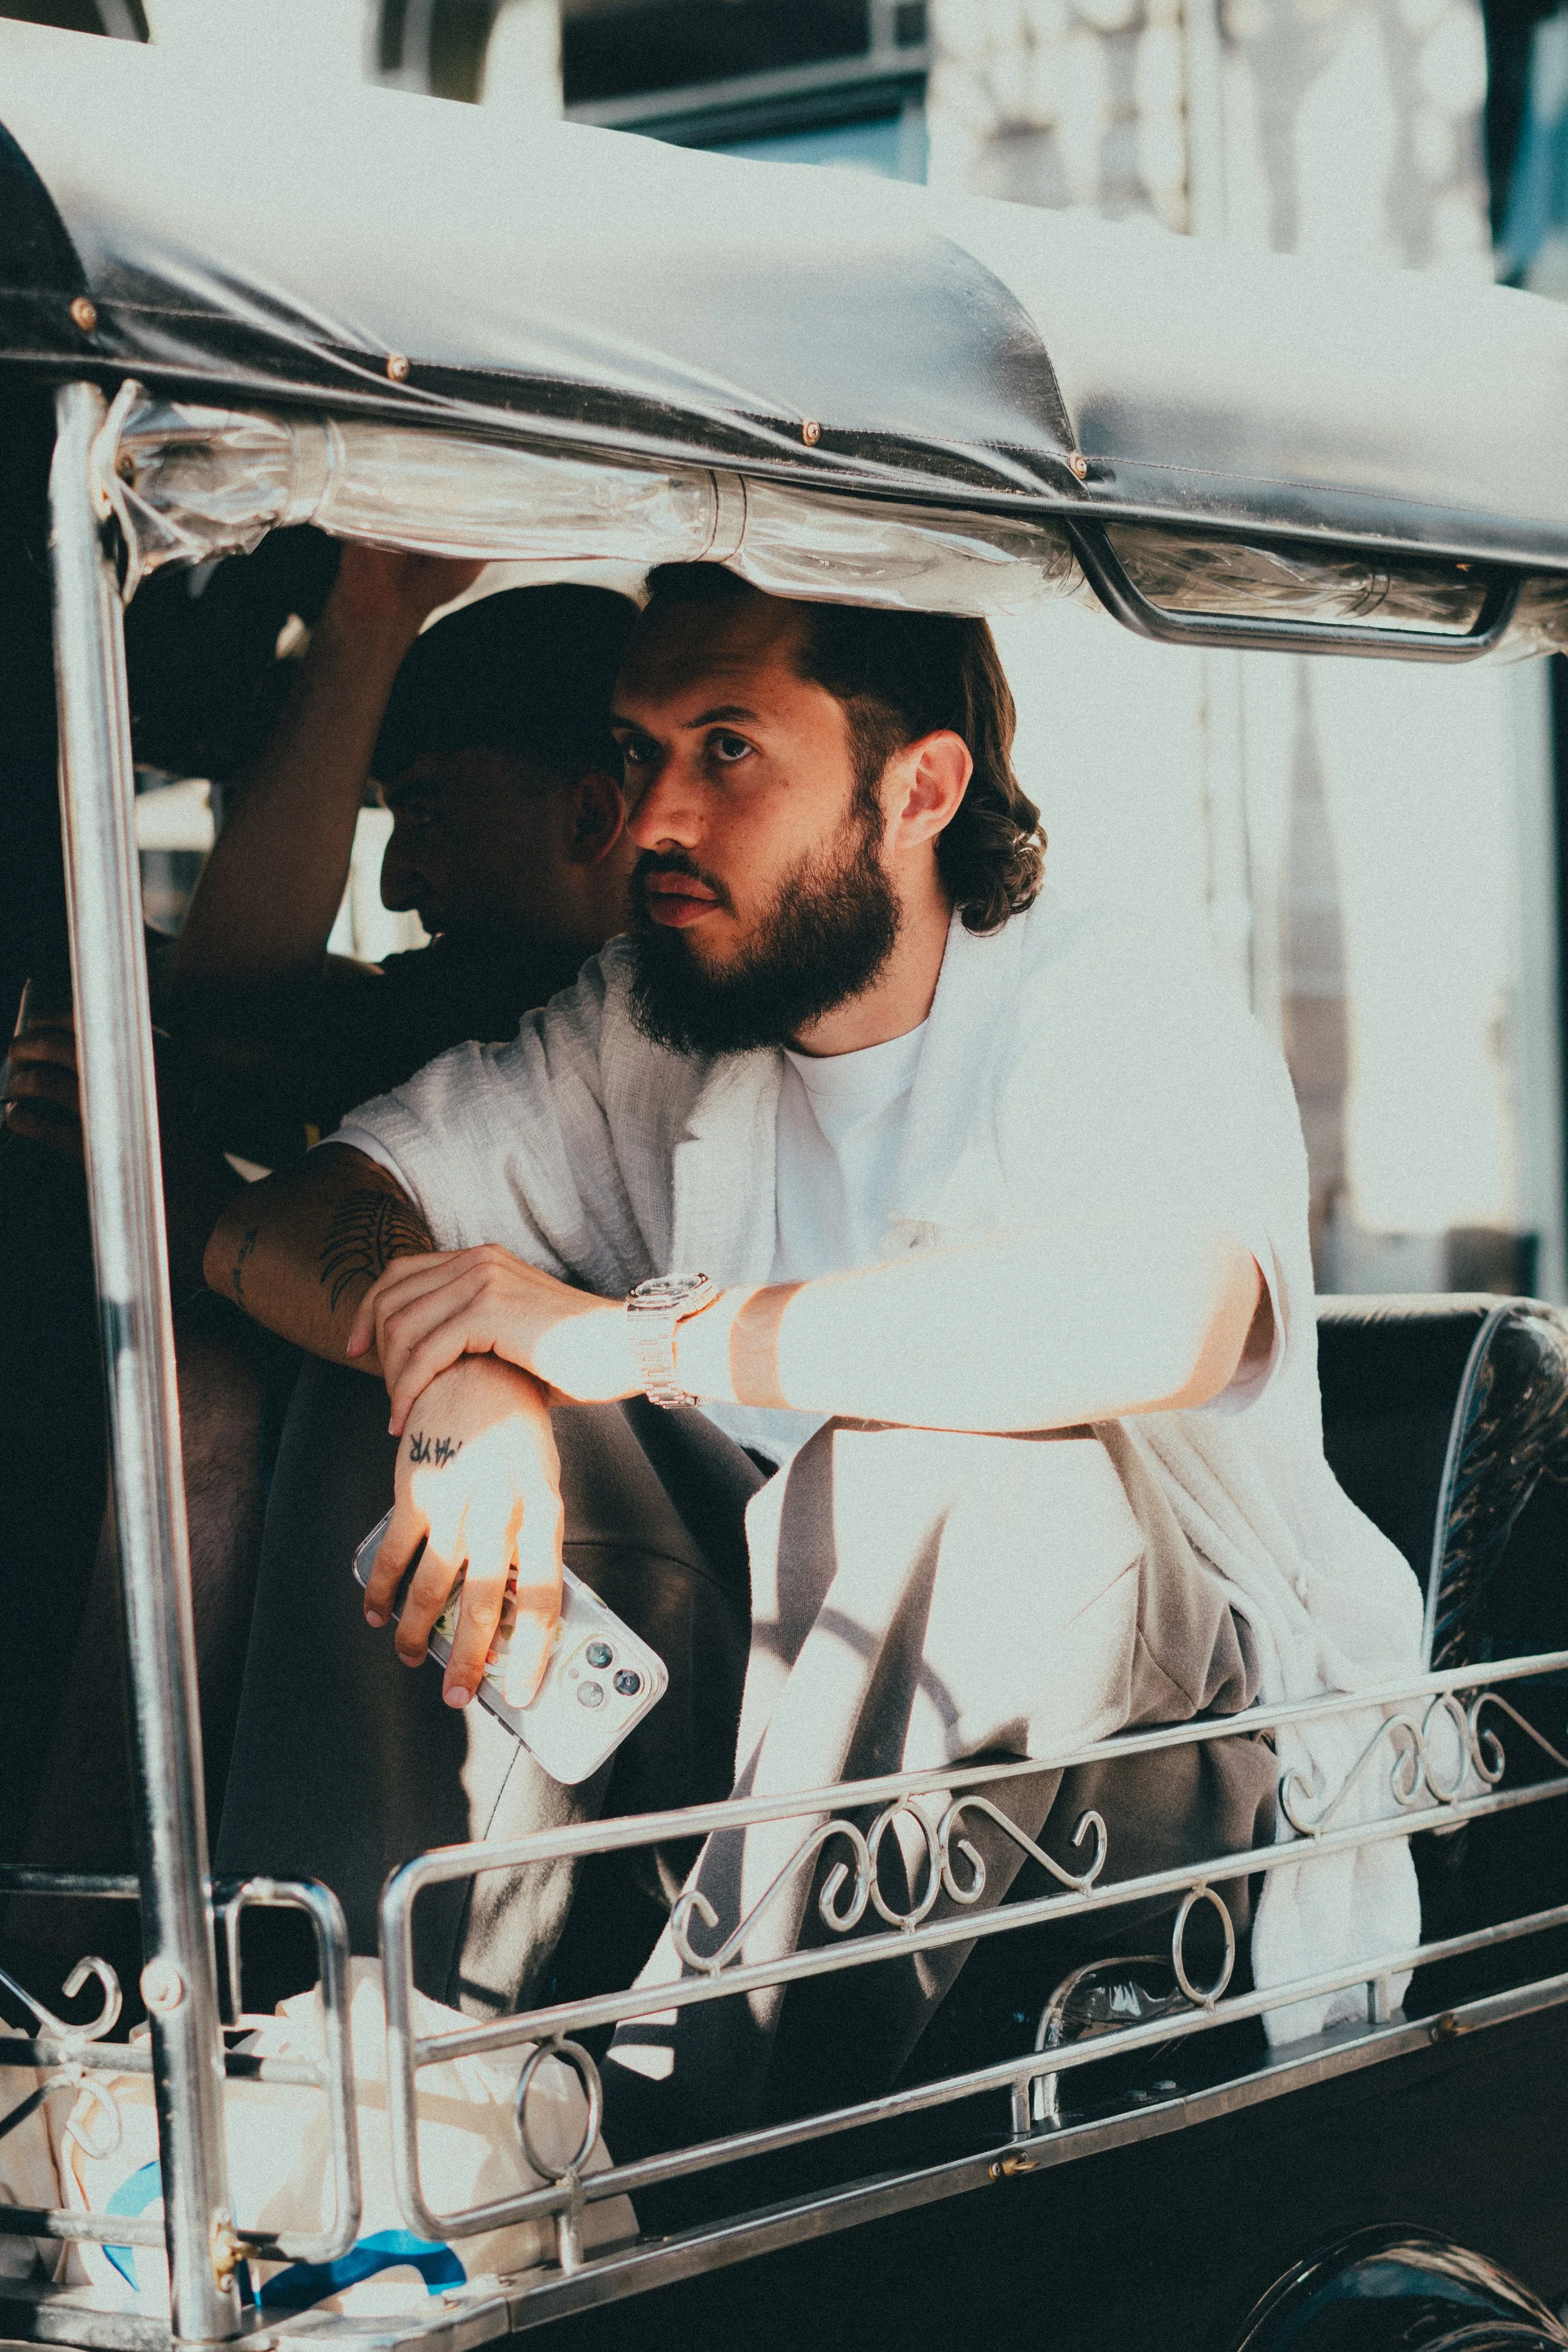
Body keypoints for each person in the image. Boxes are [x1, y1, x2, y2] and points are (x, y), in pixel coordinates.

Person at [205, 561, 1425, 2152]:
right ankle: (342, 2063)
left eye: (726, 751)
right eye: (638, 752)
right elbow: (292, 1218)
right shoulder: (650, 1020)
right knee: (371, 1396)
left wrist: (620, 1337)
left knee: (946, 1479)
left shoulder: (1105, 989)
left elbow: (1166, 1316)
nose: (651, 818)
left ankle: (664, 2147)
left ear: (917, 789)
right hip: (766, 1712)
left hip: (1153, 1757)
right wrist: (461, 1375)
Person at [0, 548, 644, 2009]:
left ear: (595, 815)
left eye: (428, 817)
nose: (400, 878)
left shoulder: (634, 1029)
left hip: (580, 1612)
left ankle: (87, 1966)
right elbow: (244, 1006)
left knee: (224, 1384)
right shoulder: (471, 1026)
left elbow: (239, 1006)